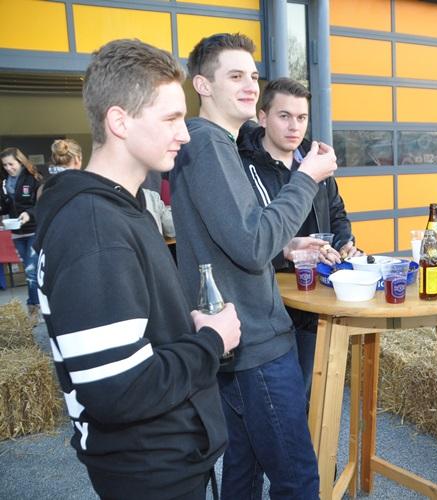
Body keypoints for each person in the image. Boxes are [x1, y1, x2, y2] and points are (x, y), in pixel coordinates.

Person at [31, 39, 241, 500]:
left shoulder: (124, 211)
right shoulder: (94, 229)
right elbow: (118, 390)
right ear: (119, 121)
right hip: (149, 470)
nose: (185, 134)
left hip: (164, 457)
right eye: (170, 118)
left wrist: (186, 329)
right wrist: (212, 341)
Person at [170, 33, 337, 499]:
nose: (250, 85)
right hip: (255, 344)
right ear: (203, 85)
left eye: (253, 75)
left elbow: (238, 236)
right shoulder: (208, 145)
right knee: (297, 480)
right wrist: (306, 178)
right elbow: (251, 244)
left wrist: (287, 245)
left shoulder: (214, 143)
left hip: (237, 337)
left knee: (243, 472)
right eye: (235, 76)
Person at [237, 77, 356, 396]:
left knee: (311, 393)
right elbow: (244, 236)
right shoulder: (242, 166)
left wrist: (344, 242)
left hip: (314, 296)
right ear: (263, 118)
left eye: (301, 117)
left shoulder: (316, 162)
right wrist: (286, 252)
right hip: (267, 302)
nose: (295, 126)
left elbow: (336, 212)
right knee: (277, 397)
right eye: (284, 116)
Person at [0, 147, 42, 321]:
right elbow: (5, 206)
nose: (8, 168)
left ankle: (33, 308)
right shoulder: (4, 182)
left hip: (34, 230)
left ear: (20, 162)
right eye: (5, 165)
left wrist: (29, 214)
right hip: (17, 233)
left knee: (31, 272)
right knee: (30, 272)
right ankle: (38, 305)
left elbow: (41, 204)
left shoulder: (33, 179)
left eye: (11, 164)